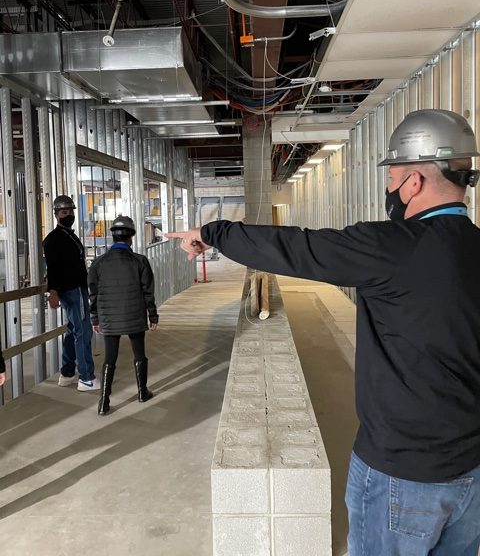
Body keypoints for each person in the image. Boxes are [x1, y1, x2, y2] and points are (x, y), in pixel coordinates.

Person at [167, 109, 480, 556]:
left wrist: (214, 232)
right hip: (472, 472)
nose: (390, 190)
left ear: (413, 183)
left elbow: (299, 248)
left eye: (392, 178)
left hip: (403, 473)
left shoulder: (393, 247)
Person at [88, 215, 158, 416]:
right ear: (131, 237)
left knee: (110, 358)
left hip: (109, 318)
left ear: (113, 236)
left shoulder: (98, 263)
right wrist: (152, 316)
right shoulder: (140, 261)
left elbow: (93, 293)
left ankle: (103, 402)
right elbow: (148, 292)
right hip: (134, 316)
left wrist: (95, 318)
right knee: (139, 354)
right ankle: (142, 392)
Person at [43, 195, 99, 391]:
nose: (69, 215)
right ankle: (86, 377)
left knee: (73, 330)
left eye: (71, 211)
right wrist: (53, 292)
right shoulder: (53, 240)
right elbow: (53, 268)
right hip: (71, 290)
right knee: (83, 332)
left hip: (76, 288)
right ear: (56, 215)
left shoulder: (70, 235)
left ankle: (67, 373)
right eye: (64, 212)